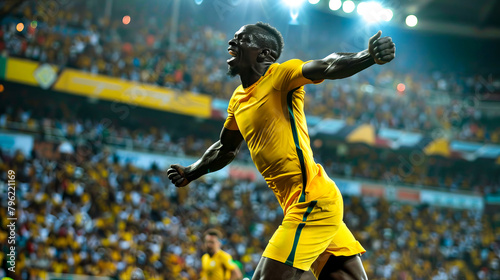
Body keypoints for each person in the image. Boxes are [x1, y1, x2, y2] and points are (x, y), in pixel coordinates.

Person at [167, 22, 395, 280]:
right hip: (308, 205)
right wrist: (191, 172)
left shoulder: (281, 76)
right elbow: (225, 148)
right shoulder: (237, 99)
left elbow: (328, 65)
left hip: (310, 201)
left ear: (264, 54)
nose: (232, 43)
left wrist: (367, 57)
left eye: (241, 39)